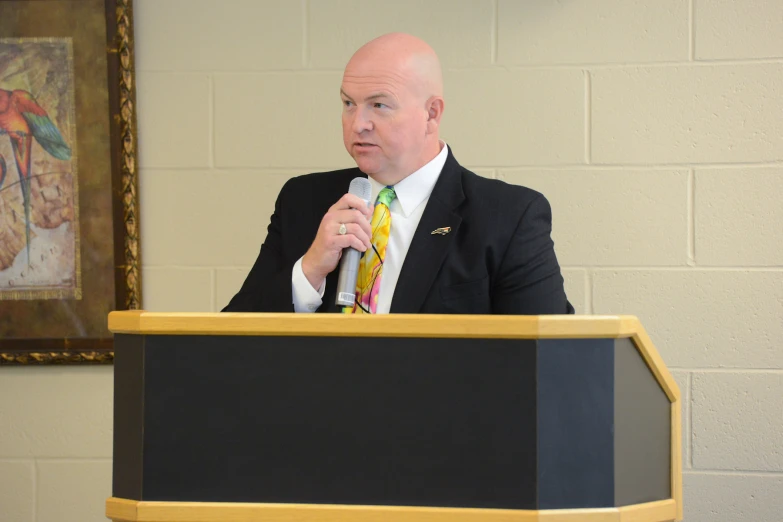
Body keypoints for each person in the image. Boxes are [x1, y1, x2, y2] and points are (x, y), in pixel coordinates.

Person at [223, 33, 574, 315]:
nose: (358, 124)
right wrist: (310, 270)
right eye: (348, 104)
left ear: (431, 114)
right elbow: (230, 339)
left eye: (379, 105)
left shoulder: (509, 217)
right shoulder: (303, 200)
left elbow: (549, 359)